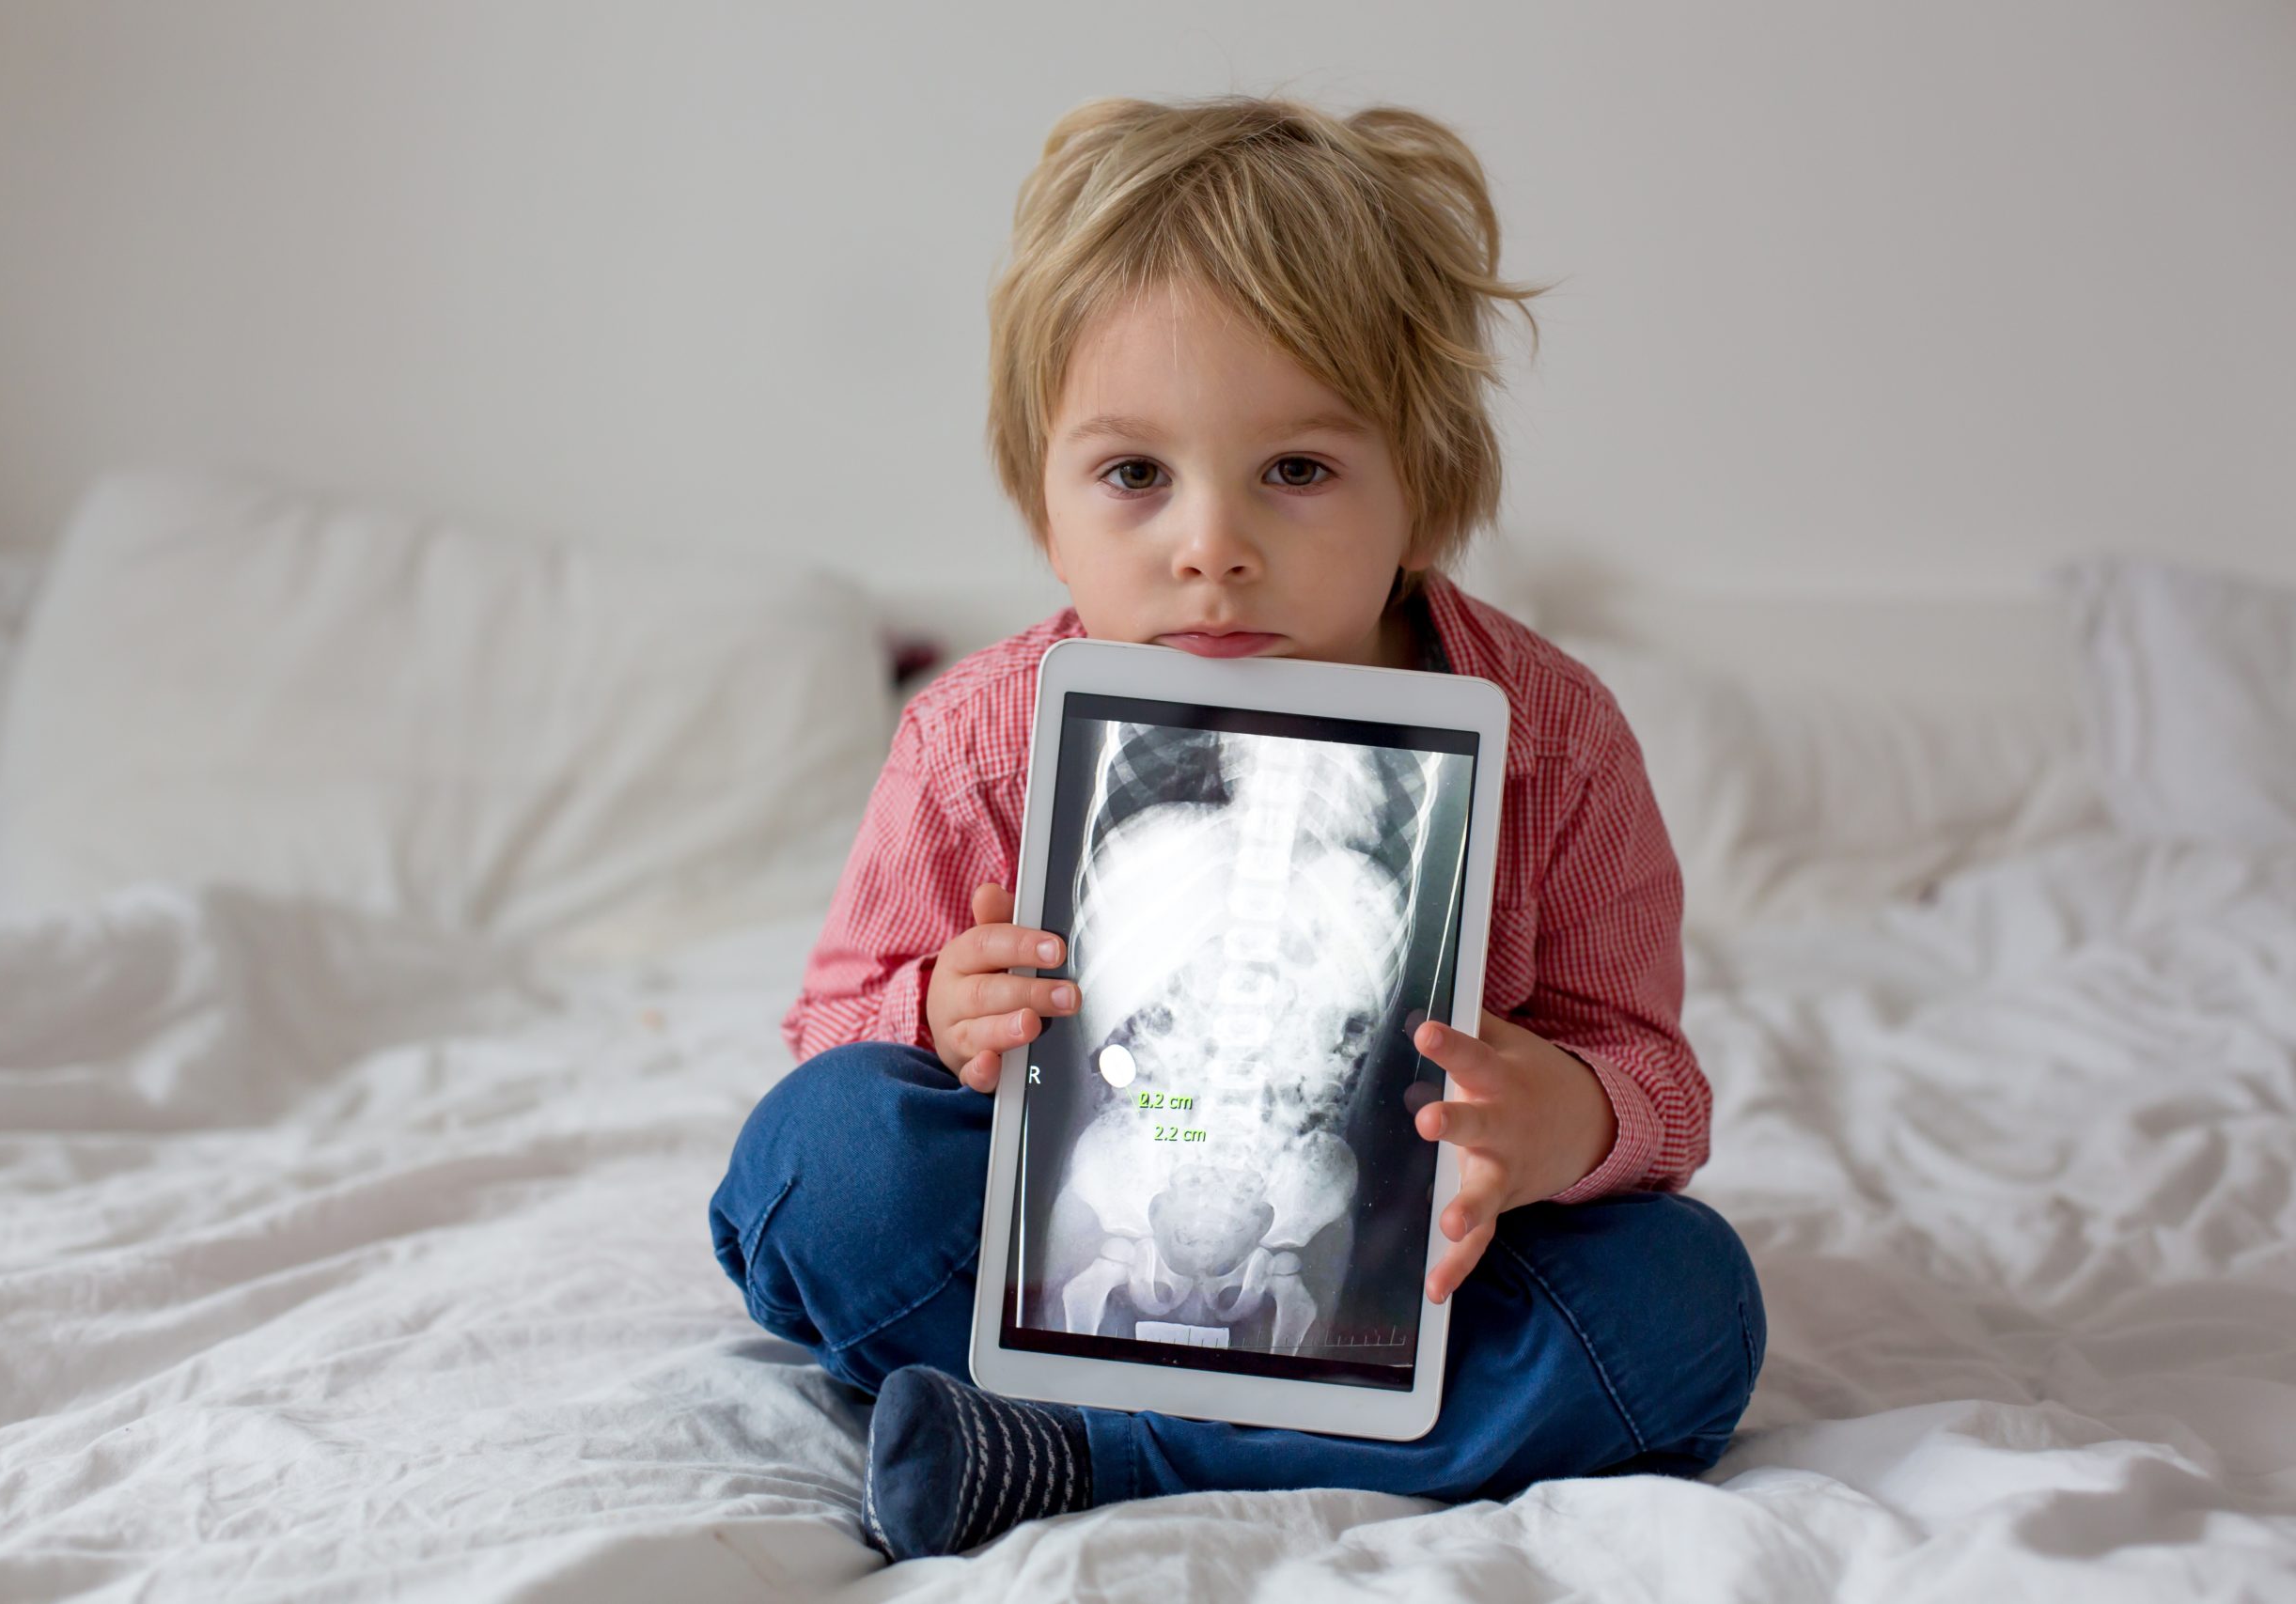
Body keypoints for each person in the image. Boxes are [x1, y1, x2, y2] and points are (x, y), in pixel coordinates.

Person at [709, 92, 1765, 1563]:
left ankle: (1065, 1456)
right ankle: (1196, 1435)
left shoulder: (1555, 745)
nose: (1213, 545)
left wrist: (1567, 1118)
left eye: (1298, 470)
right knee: (821, 1164)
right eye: (1135, 475)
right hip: (1056, 1244)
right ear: (1042, 499)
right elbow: (830, 1029)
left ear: (1425, 484)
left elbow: (1653, 1075)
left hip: (1407, 1283)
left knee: (1683, 1303)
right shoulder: (978, 739)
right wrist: (932, 1015)